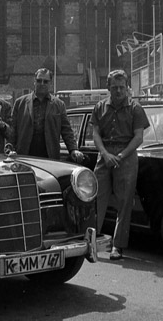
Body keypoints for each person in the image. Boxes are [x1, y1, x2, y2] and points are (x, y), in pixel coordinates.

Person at [91, 69, 150, 261]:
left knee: (124, 203)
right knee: (95, 199)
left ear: (127, 88)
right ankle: (91, 243)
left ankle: (117, 246)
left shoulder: (135, 108)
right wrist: (105, 154)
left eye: (121, 87)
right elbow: (96, 134)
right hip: (105, 155)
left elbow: (139, 137)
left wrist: (121, 155)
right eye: (114, 87)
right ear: (108, 88)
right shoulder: (100, 107)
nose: (118, 91)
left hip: (127, 156)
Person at [10, 69, 85, 163]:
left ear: (50, 84)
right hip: (25, 155)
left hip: (49, 155)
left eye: (45, 81)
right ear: (34, 81)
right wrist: (10, 148)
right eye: (39, 80)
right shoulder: (20, 103)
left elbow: (66, 130)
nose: (42, 84)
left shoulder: (59, 105)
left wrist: (73, 149)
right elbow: (13, 129)